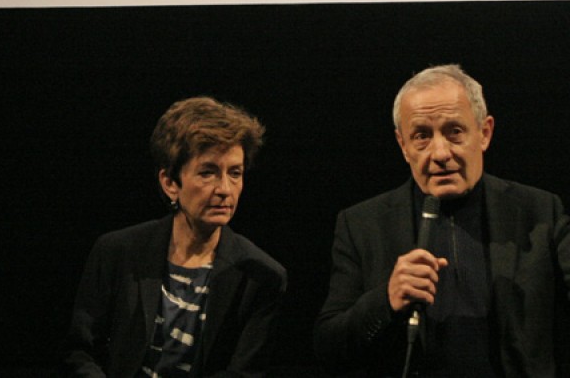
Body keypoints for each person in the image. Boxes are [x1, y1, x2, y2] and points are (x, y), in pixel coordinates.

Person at [314, 64, 570, 376]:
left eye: (455, 132)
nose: (440, 152)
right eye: (422, 136)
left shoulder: (539, 211)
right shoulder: (362, 224)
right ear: (403, 146)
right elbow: (328, 347)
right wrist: (386, 299)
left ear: (484, 133)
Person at [63, 96, 287, 377]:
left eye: (235, 173)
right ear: (170, 182)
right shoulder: (117, 252)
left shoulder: (261, 276)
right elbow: (80, 352)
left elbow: (244, 373)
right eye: (208, 173)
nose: (225, 189)